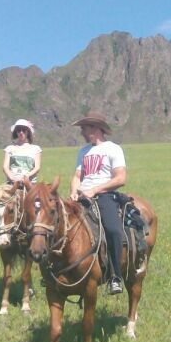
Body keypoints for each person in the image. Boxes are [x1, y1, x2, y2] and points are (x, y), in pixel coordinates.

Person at [69, 111, 127, 295]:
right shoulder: (83, 151)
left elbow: (121, 178)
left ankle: (115, 276)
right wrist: (73, 191)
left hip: (104, 196)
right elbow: (78, 176)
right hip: (81, 196)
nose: (82, 132)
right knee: (57, 224)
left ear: (96, 129)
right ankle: (55, 273)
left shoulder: (113, 149)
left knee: (113, 230)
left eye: (84, 128)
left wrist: (95, 190)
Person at [0, 119, 42, 255]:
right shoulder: (10, 149)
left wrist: (26, 177)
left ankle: (42, 242)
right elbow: (5, 166)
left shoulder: (35, 149)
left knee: (40, 208)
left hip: (29, 183)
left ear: (28, 132)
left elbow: (37, 167)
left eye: (24, 130)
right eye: (18, 130)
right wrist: (12, 178)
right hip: (10, 183)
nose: (21, 133)